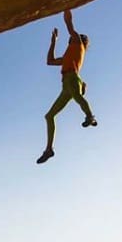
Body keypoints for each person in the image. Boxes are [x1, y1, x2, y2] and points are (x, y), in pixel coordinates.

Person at [36, 9, 97, 164]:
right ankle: (49, 149)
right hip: (66, 86)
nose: (69, 39)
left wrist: (67, 6)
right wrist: (53, 41)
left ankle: (90, 116)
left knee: (78, 97)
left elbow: (69, 25)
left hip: (72, 79)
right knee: (49, 116)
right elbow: (49, 61)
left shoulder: (78, 43)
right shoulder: (67, 56)